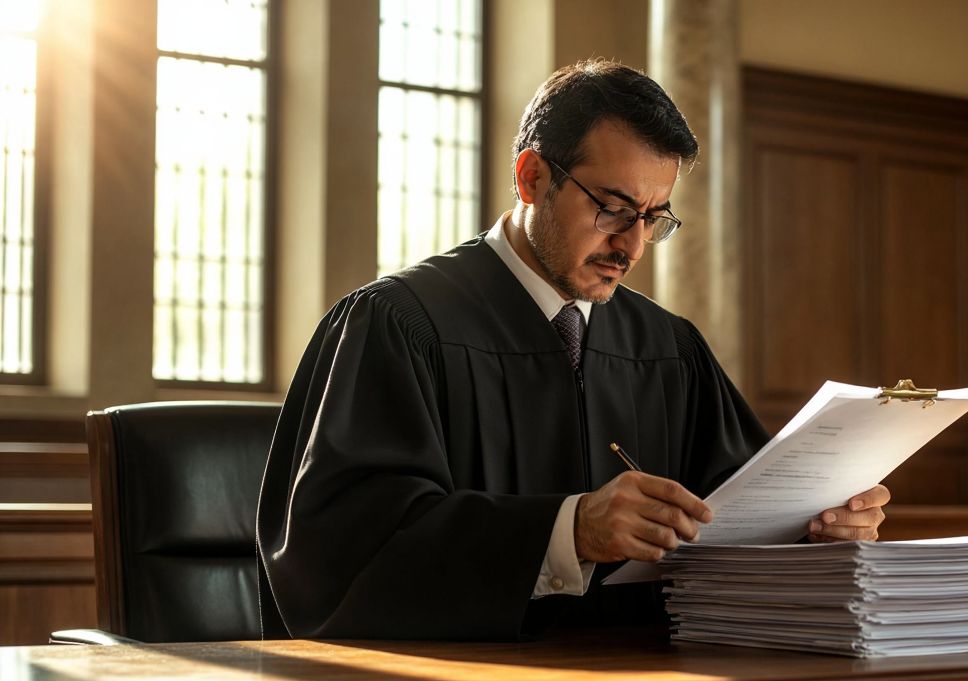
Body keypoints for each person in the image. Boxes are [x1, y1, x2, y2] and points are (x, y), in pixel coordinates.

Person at [256, 59, 889, 641]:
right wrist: (568, 531)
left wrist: (816, 528)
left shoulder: (667, 348)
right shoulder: (398, 325)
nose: (633, 246)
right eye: (613, 209)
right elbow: (345, 554)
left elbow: (736, 512)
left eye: (655, 217)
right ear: (532, 178)